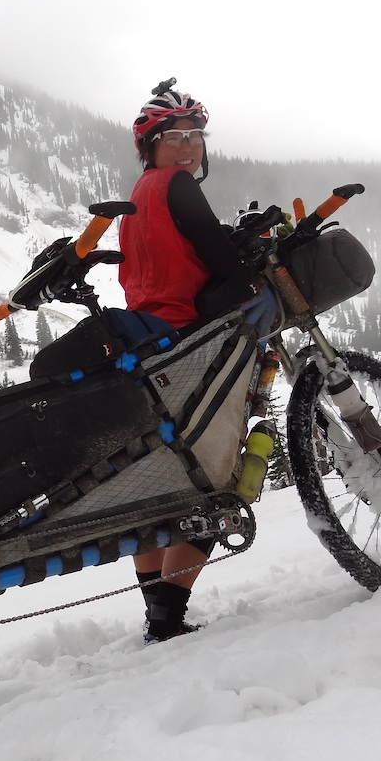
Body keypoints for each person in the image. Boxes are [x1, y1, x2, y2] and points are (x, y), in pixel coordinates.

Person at [118, 79, 264, 644]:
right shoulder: (177, 183)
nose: (187, 147)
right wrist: (246, 272)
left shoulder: (139, 194)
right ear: (151, 144)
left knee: (163, 478)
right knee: (213, 475)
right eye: (173, 136)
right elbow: (215, 250)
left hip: (150, 341)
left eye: (195, 136)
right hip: (189, 339)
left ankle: (159, 612)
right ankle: (169, 620)